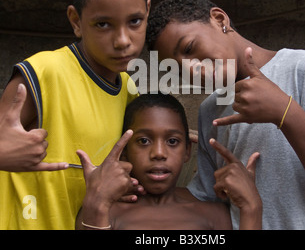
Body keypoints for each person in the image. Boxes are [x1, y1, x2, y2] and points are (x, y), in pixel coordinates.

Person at [145, 0, 305, 230]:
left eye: (189, 48)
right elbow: (206, 199)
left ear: (219, 20)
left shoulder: (303, 69)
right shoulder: (210, 111)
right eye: (179, 70)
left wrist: (285, 112)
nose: (192, 69)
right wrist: (139, 194)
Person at [0, 0, 150, 229]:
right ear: (76, 21)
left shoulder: (128, 89)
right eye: (103, 24)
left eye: (134, 21)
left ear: (147, 12)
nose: (122, 40)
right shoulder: (44, 74)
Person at [75, 93, 262, 230]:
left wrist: (251, 207)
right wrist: (97, 203)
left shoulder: (213, 215)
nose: (158, 153)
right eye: (143, 141)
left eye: (172, 141)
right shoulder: (106, 211)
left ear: (187, 151)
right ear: (124, 152)